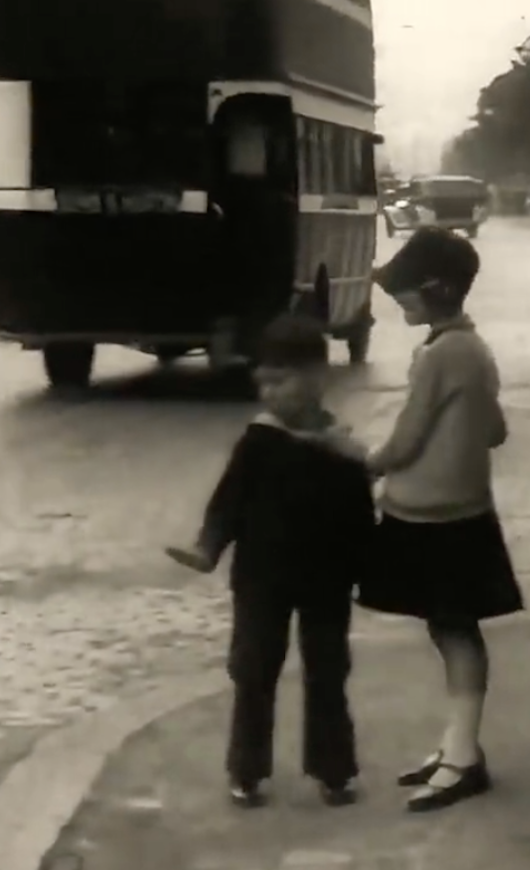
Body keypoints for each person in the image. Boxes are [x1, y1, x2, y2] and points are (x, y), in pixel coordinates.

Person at [165, 313, 375, 809]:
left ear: (317, 377)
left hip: (326, 577)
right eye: (264, 382)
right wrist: (208, 547)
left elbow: (359, 512)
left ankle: (334, 770)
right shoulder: (259, 440)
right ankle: (247, 770)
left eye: (281, 381)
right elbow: (228, 501)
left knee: (328, 670)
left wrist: (369, 567)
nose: (270, 393)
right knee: (254, 670)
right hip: (261, 577)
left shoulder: (340, 445)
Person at [361, 226, 524, 813]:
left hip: (434, 515)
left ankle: (463, 756)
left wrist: (363, 466)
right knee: (449, 626)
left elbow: (406, 439)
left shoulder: (439, 354)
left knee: (454, 630)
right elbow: (496, 430)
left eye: (405, 290)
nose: (397, 300)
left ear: (437, 289)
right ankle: (459, 744)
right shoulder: (472, 348)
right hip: (462, 508)